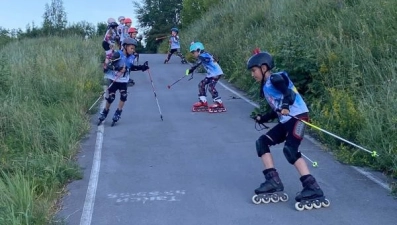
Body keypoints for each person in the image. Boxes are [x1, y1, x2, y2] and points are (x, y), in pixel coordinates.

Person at [246, 49, 329, 210]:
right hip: (286, 121)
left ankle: (312, 187)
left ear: (264, 68)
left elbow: (288, 94)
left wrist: (284, 106)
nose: (252, 74)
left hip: (299, 118)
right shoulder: (266, 87)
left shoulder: (276, 79)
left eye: (254, 70)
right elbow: (275, 109)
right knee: (262, 142)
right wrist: (262, 118)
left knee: (290, 150)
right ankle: (273, 181)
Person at [98, 38, 150, 126]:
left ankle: (118, 112)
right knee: (111, 98)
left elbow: (131, 67)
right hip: (114, 79)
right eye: (131, 48)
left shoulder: (132, 57)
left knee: (124, 96)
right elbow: (108, 66)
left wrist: (142, 67)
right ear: (125, 47)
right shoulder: (118, 54)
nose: (133, 50)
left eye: (134, 49)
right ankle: (105, 111)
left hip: (123, 81)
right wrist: (118, 68)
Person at [188, 42, 226, 113]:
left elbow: (207, 59)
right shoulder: (202, 56)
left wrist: (200, 57)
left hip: (216, 73)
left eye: (193, 52)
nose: (193, 54)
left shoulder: (205, 55)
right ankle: (203, 101)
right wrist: (191, 69)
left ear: (199, 50)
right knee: (201, 84)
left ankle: (219, 103)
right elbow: (198, 63)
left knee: (211, 87)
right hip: (211, 74)